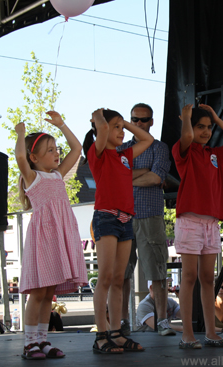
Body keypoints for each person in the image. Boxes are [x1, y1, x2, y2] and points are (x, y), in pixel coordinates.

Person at [15, 111, 88, 359]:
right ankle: (29, 343)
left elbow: (77, 148)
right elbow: (19, 157)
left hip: (59, 238)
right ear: (34, 157)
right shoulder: (33, 178)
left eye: (56, 148)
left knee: (49, 294)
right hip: (43, 239)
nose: (57, 153)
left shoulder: (57, 175)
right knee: (38, 292)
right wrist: (21, 134)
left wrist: (62, 125)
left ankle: (43, 340)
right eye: (50, 150)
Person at [172, 104, 223, 349]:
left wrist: (216, 117)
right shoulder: (184, 150)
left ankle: (211, 333)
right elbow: (187, 137)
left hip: (211, 224)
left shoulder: (216, 154)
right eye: (200, 127)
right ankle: (187, 334)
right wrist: (186, 119)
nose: (205, 131)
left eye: (208, 127)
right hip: (190, 221)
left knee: (208, 278)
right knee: (189, 276)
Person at [83, 108, 154, 354]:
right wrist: (99, 118)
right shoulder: (97, 152)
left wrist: (124, 122)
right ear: (101, 129)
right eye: (117, 127)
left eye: (122, 127)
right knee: (105, 277)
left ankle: (116, 332)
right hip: (106, 217)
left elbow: (148, 140)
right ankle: (101, 335)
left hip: (126, 220)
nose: (121, 131)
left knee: (119, 278)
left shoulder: (125, 155)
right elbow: (102, 130)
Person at [118, 103, 172, 336]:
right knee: (122, 274)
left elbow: (157, 176)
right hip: (121, 216)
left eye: (143, 120)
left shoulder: (160, 148)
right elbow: (146, 176)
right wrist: (143, 173)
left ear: (152, 121)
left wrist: (125, 178)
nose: (138, 124)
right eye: (134, 120)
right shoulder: (121, 148)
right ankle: (123, 322)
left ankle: (162, 322)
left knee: (157, 272)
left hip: (150, 214)